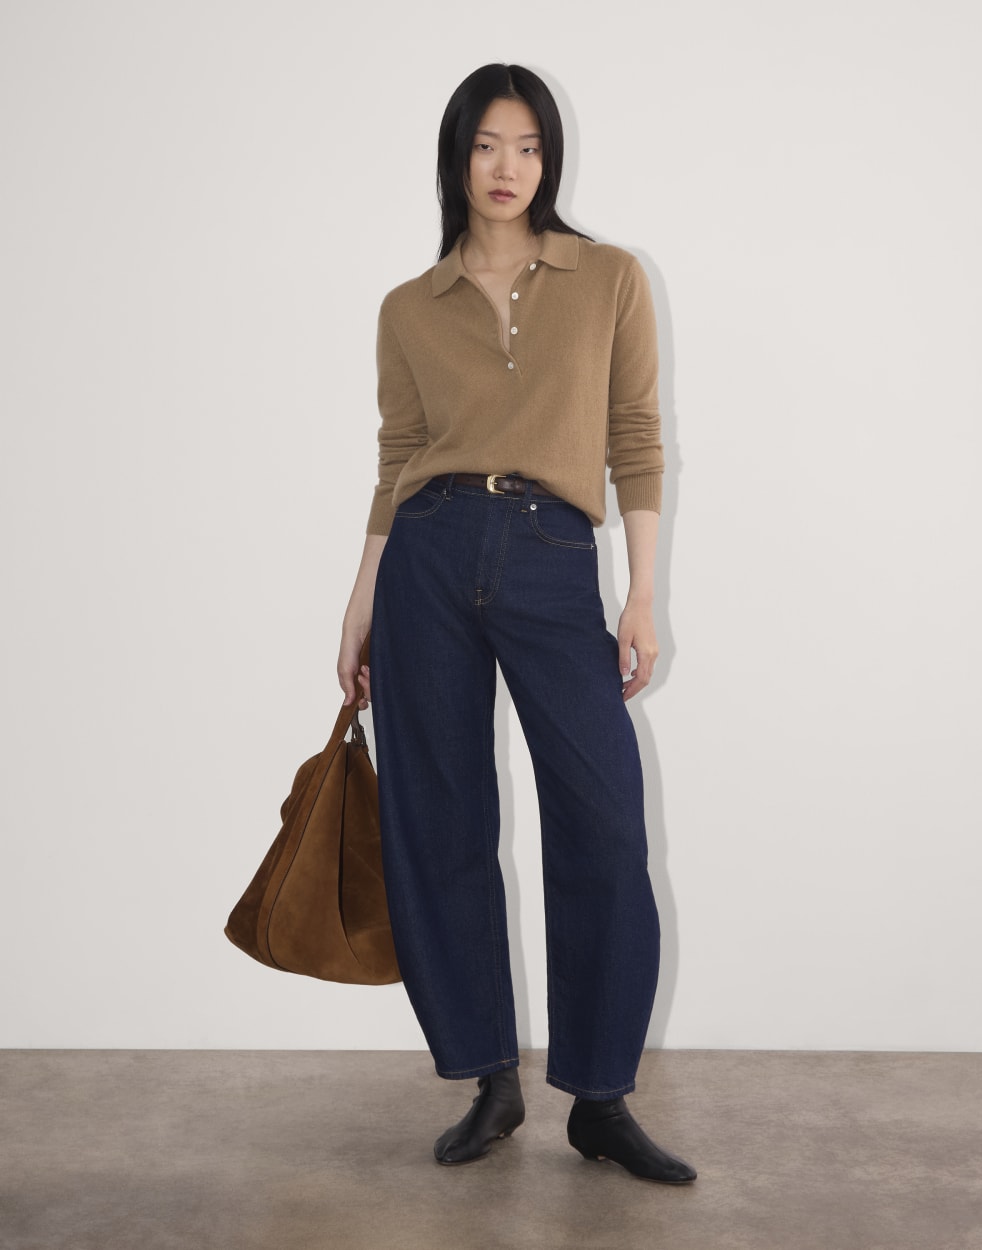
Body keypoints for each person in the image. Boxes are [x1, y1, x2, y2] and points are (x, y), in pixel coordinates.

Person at [336, 63, 696, 1184]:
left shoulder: (609, 278)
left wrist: (641, 594)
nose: (508, 167)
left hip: (551, 556)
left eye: (529, 146)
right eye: (488, 144)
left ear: (550, 159)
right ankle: (488, 1078)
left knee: (605, 821)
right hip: (427, 558)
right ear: (457, 156)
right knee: (440, 823)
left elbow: (635, 437)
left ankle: (600, 1097)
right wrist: (358, 607)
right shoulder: (410, 306)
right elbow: (398, 460)